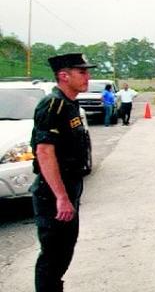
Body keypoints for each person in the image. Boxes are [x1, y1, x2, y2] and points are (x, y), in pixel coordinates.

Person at [30, 53, 96, 292]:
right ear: (63, 75)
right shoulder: (52, 104)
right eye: (82, 72)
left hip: (70, 186)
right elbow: (45, 152)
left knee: (64, 249)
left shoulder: (70, 104)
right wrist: (61, 197)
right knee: (53, 254)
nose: (87, 77)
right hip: (53, 192)